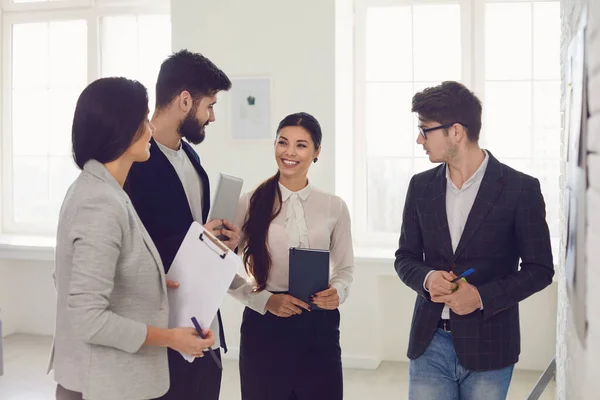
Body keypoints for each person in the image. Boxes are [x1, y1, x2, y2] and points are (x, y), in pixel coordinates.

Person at [49, 77, 214, 400]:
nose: (151, 130)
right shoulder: (100, 202)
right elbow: (88, 318)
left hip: (103, 381)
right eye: (143, 121)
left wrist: (148, 280)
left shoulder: (103, 189)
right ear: (122, 130)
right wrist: (171, 338)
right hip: (99, 385)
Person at [394, 81, 554, 400]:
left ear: (455, 131)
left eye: (425, 130)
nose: (419, 139)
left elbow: (540, 269)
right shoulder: (421, 186)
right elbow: (405, 257)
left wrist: (480, 297)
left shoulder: (520, 189)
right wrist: (427, 278)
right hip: (429, 344)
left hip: (491, 346)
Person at [125, 50, 237, 400]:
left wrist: (216, 240)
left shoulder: (191, 157)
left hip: (203, 330)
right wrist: (195, 241)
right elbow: (129, 248)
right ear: (186, 101)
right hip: (161, 334)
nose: (212, 116)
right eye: (210, 105)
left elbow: (190, 232)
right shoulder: (132, 163)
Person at [233, 112, 354, 400]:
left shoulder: (333, 206)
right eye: (282, 142)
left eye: (301, 145)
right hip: (264, 327)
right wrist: (265, 300)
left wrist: (338, 292)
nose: (289, 152)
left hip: (319, 327)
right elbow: (217, 270)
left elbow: (345, 268)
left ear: (316, 152)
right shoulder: (248, 203)